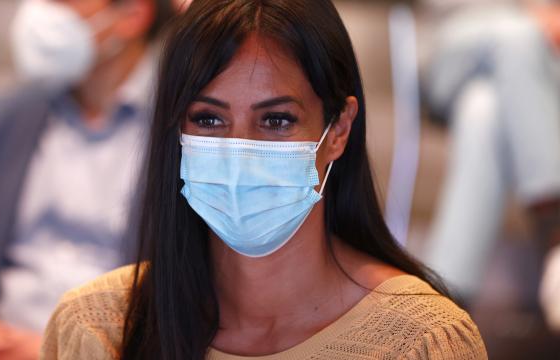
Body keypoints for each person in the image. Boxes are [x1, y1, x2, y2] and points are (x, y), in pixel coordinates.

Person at [41, 0, 488, 359]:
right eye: (209, 120)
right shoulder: (97, 329)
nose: (239, 151)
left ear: (339, 129)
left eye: (276, 120)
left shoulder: (423, 341)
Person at [0, 0, 174, 359]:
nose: (39, 12)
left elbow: (198, 283)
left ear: (131, 16)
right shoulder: (3, 117)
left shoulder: (188, 126)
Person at [421, 0, 560, 305]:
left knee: (483, 110)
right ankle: (553, 230)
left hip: (541, 64)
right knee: (519, 35)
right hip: (457, 41)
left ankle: (445, 301)